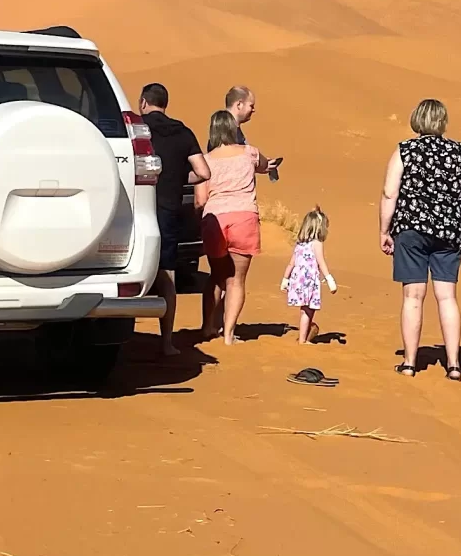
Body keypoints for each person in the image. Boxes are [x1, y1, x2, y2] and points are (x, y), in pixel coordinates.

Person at [378, 97, 461, 379]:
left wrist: (384, 231)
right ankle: (454, 365)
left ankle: (409, 363)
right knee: (447, 297)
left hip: (411, 231)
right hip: (450, 233)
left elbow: (389, 193)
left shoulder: (405, 150)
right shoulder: (459, 153)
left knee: (413, 296)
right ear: (442, 122)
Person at [136, 83, 208, 355]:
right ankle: (166, 342)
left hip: (137, 210)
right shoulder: (183, 132)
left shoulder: (136, 130)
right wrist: (177, 177)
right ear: (165, 104)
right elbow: (203, 172)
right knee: (167, 275)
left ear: (144, 103)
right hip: (168, 211)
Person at [199, 108, 265, 341]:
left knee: (216, 276)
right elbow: (264, 165)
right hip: (243, 217)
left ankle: (207, 327)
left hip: (215, 219)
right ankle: (228, 334)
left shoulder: (205, 160)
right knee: (236, 280)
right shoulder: (249, 152)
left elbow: (200, 199)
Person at [281, 206, 337, 345]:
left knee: (305, 310)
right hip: (308, 281)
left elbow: (291, 263)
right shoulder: (317, 243)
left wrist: (285, 279)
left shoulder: (300, 244)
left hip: (298, 280)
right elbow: (321, 262)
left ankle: (304, 335)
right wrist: (329, 279)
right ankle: (302, 340)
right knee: (307, 311)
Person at [226, 84, 283, 185]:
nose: (253, 110)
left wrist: (259, 163)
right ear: (239, 105)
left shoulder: (232, 129)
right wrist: (258, 161)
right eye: (251, 106)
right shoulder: (226, 131)